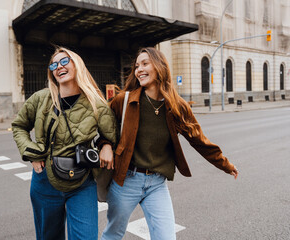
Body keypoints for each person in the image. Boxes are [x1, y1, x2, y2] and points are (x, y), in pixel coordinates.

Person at [101, 47, 238, 240]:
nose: (139, 69)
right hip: (126, 180)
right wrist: (105, 144)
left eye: (145, 63)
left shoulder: (177, 106)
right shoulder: (124, 100)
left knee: (166, 237)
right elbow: (102, 126)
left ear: (159, 66)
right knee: (113, 234)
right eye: (137, 66)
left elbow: (199, 140)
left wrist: (225, 164)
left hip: (157, 183)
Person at [12, 47, 116, 240]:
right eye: (53, 64)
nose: (58, 66)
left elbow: (110, 133)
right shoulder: (40, 98)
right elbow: (19, 126)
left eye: (64, 61)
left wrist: (107, 145)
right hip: (44, 181)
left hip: (83, 181)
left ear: (77, 65)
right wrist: (32, 154)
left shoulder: (96, 103)